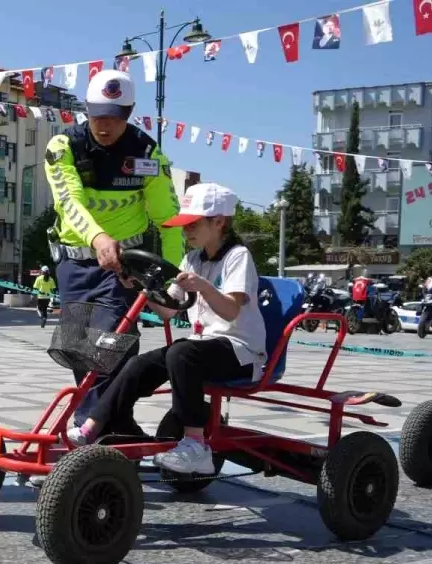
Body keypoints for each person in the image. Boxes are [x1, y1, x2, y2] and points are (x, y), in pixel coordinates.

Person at [71, 183, 268, 475]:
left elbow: (231, 310)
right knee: (141, 363)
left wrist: (203, 286)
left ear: (219, 222)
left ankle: (196, 445)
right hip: (202, 348)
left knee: (181, 352)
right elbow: (168, 310)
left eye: (192, 224)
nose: (186, 231)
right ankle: (92, 426)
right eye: (184, 225)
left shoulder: (237, 256)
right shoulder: (192, 259)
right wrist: (142, 287)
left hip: (241, 351)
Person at [43, 68, 183, 441]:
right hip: (74, 260)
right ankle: (114, 426)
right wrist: (97, 237)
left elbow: (168, 220)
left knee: (109, 344)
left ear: (130, 112)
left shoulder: (147, 153)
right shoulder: (63, 147)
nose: (104, 124)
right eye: (97, 114)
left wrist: (174, 277)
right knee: (77, 348)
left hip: (123, 266)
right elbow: (68, 201)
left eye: (115, 116)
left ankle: (90, 430)